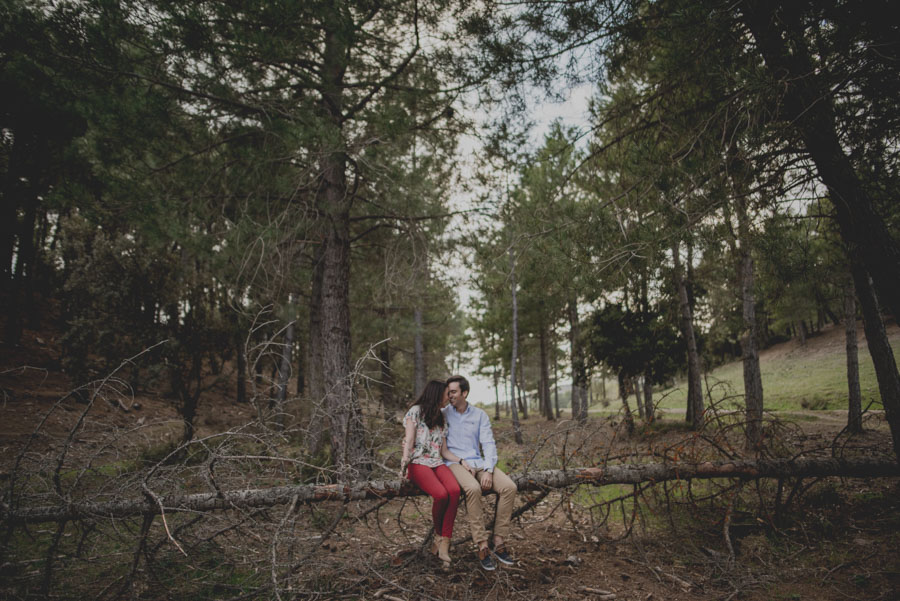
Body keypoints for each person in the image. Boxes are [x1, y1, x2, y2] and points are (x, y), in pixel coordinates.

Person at [443, 375, 518, 571]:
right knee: (473, 489)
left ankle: (499, 539)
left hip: (478, 461)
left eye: (453, 392)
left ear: (464, 393)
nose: (449, 395)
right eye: (448, 392)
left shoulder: (479, 415)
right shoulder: (443, 414)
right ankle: (482, 545)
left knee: (509, 487)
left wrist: (488, 470)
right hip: (454, 462)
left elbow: (488, 444)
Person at [399, 380, 468, 569]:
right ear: (437, 394)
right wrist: (404, 465)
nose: (449, 397)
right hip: (418, 462)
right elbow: (410, 439)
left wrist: (461, 461)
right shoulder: (415, 411)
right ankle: (439, 535)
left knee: (454, 490)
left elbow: (444, 451)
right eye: (447, 394)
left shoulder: (440, 417)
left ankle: (445, 540)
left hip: (436, 462)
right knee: (441, 494)